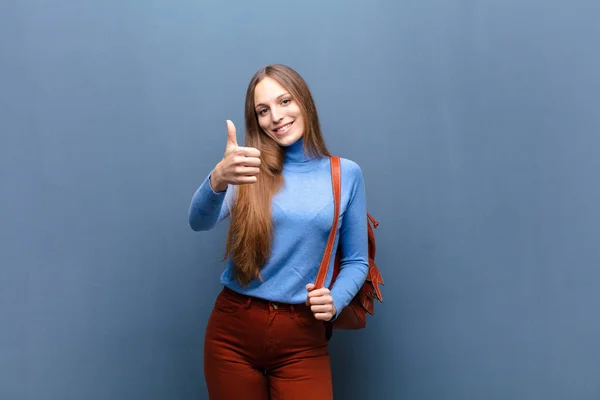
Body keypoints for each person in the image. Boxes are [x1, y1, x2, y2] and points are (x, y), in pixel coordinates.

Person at [188, 64, 369, 400]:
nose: (276, 116)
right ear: (256, 120)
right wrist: (218, 178)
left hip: (302, 336)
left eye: (285, 101)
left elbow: (357, 260)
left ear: (304, 102)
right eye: (263, 110)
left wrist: (335, 299)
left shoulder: (345, 174)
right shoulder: (248, 168)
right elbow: (198, 221)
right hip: (233, 331)